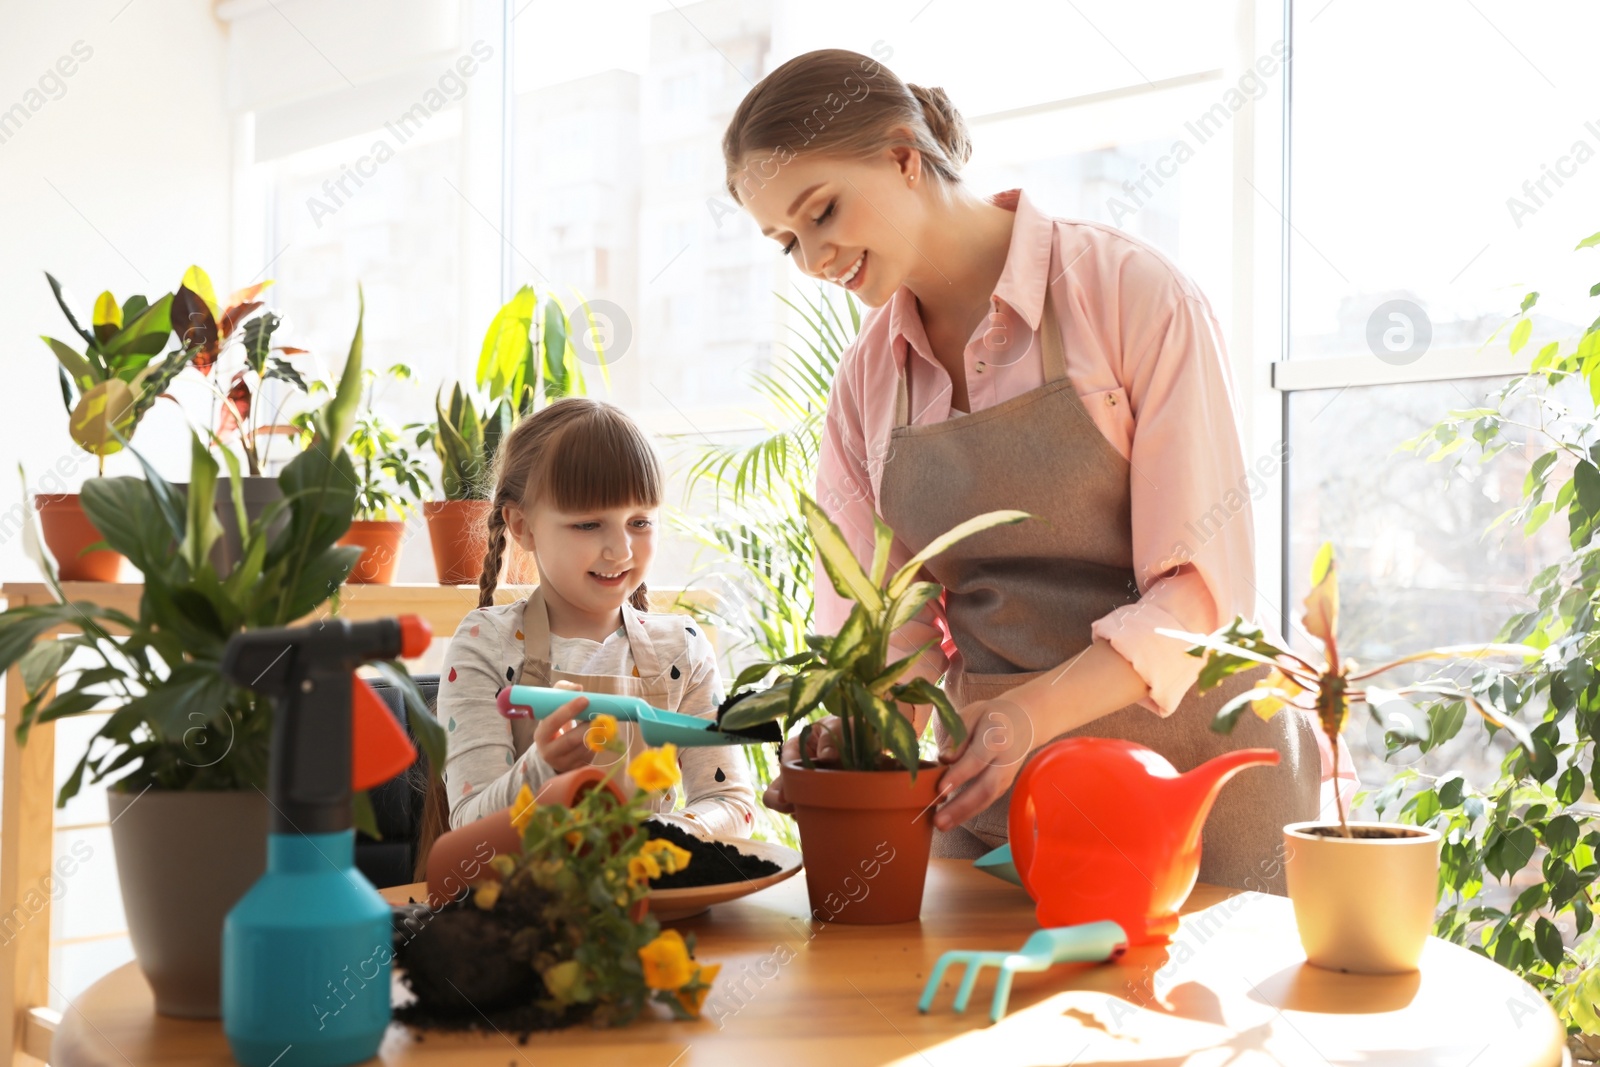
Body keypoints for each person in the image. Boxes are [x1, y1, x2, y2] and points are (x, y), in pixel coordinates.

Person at [724, 48, 1349, 893]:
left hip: (1199, 780)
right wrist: (866, 737)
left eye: (823, 211)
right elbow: (882, 631)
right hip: (997, 793)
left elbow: (1200, 593)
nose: (813, 258)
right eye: (787, 241)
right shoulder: (867, 381)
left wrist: (1027, 713)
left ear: (904, 156)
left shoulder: (1130, 294)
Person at [416, 398, 756, 873]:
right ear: (522, 525)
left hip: (655, 915)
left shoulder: (683, 649)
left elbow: (732, 802)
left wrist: (662, 837)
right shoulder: (484, 643)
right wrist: (543, 771)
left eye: (640, 522)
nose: (620, 550)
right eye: (588, 524)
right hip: (528, 918)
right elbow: (471, 831)